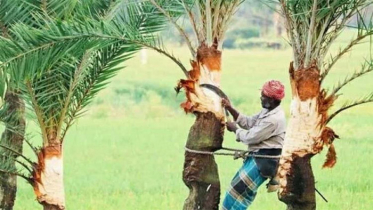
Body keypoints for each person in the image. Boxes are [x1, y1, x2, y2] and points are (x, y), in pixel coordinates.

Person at [221, 80, 286, 210]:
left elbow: (251, 137)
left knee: (237, 196)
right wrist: (230, 108)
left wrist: (235, 129)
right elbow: (250, 122)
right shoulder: (268, 110)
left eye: (263, 96)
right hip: (257, 158)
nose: (260, 98)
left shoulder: (274, 119)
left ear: (272, 100)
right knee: (234, 194)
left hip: (264, 162)